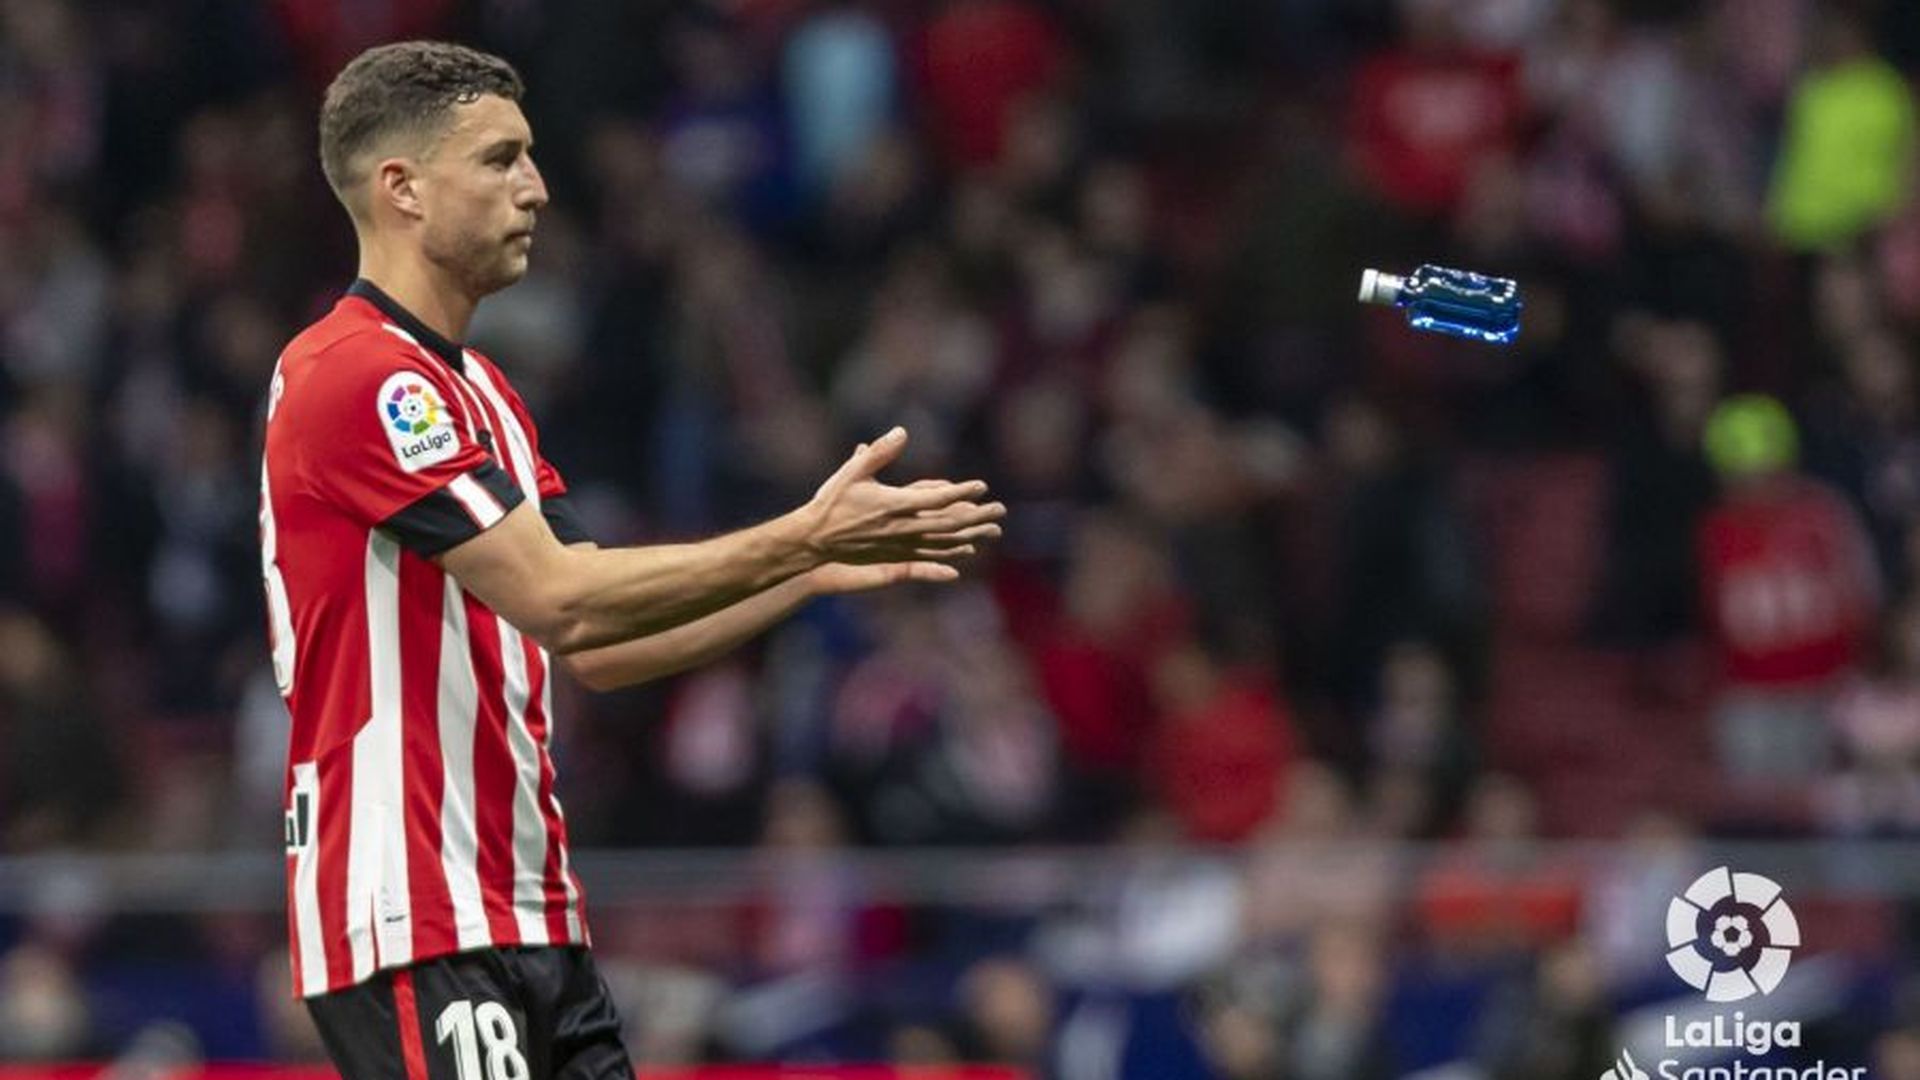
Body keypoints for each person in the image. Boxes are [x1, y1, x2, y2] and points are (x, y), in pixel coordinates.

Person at [259, 41, 1004, 1079]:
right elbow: (562, 599)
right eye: (501, 159)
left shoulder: (483, 394)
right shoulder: (357, 376)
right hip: (415, 917)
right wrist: (800, 533)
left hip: (528, 915)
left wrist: (804, 576)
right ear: (403, 189)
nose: (538, 187)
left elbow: (600, 646)